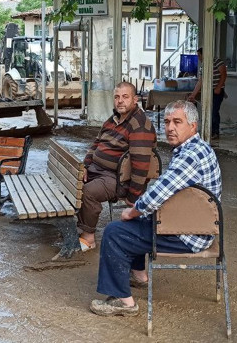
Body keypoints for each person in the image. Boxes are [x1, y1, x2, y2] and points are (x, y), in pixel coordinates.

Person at [89, 100, 222, 316]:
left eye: (177, 122)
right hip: (195, 226)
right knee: (137, 221)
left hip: (188, 235)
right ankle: (140, 275)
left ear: (193, 126)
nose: (170, 128)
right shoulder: (199, 148)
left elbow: (156, 195)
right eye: (167, 122)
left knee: (114, 232)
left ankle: (124, 303)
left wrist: (132, 211)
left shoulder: (190, 156)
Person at [77, 81, 156, 252]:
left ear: (135, 99)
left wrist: (133, 197)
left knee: (88, 192)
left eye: (125, 97)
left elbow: (141, 165)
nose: (120, 101)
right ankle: (80, 223)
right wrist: (85, 165)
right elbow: (96, 144)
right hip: (96, 170)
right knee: (71, 180)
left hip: (117, 179)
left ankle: (88, 236)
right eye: (117, 97)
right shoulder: (112, 120)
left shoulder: (139, 125)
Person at [187, 47, 227, 140]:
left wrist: (218, 87)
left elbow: (224, 74)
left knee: (214, 111)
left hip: (217, 91)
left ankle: (215, 132)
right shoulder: (203, 66)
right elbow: (200, 81)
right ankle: (209, 131)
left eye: (199, 55)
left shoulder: (217, 61)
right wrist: (193, 95)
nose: (199, 57)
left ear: (203, 54)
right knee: (208, 111)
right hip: (208, 92)